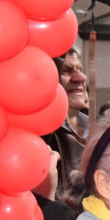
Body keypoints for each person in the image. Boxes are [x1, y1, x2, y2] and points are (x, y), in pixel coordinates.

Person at [44, 47, 89, 193]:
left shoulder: (100, 129)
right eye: (66, 70)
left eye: (80, 69)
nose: (81, 77)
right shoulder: (45, 135)